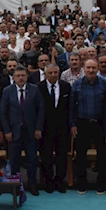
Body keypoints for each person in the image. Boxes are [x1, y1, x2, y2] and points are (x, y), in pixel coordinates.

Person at [0, 66, 44, 196]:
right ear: (13, 78)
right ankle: (15, 186)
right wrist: (6, 130)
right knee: (14, 160)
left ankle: (32, 184)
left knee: (32, 160)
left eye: (23, 75)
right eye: (18, 76)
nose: (20, 78)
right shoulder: (7, 91)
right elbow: (3, 111)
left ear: (27, 76)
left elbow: (41, 109)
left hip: (31, 131)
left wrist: (38, 128)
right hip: (14, 132)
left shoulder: (34, 89)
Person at [69, 59, 106, 195]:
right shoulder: (77, 84)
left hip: (100, 123)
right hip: (82, 123)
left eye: (93, 67)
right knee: (80, 155)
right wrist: (72, 124)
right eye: (88, 67)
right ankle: (81, 183)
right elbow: (71, 107)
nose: (91, 70)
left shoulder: (105, 84)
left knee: (103, 155)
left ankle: (101, 183)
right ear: (84, 68)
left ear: (98, 68)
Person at [38, 64, 70, 193]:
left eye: (55, 72)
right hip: (45, 127)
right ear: (45, 74)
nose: (53, 75)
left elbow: (70, 107)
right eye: (50, 73)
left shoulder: (66, 86)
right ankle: (48, 181)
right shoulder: (38, 87)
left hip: (62, 127)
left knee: (61, 155)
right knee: (46, 155)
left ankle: (59, 180)